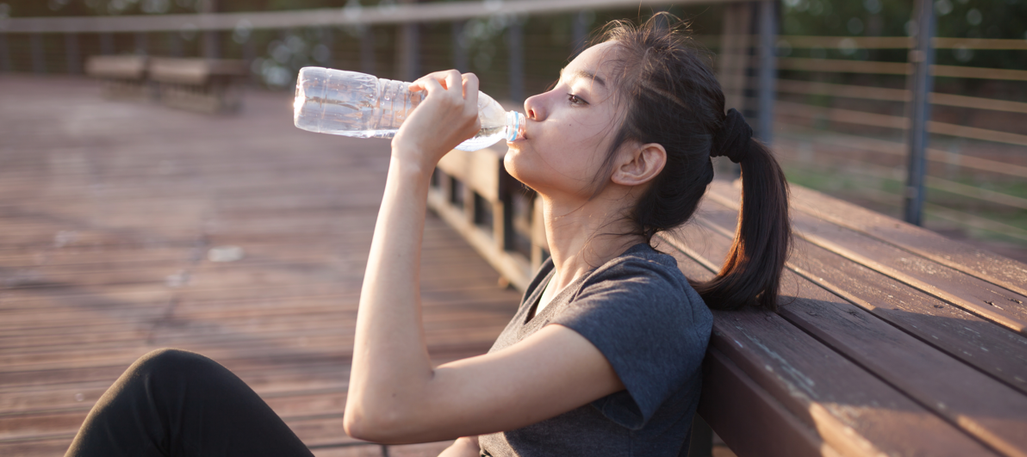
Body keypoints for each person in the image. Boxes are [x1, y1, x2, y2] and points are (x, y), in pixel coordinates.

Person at [65, 13, 790, 457]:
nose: (532, 104)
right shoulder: (562, 282)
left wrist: (411, 164)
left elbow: (382, 408)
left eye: (575, 98)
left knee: (162, 394)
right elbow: (473, 442)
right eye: (553, 82)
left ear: (637, 162)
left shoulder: (644, 307)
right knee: (169, 387)